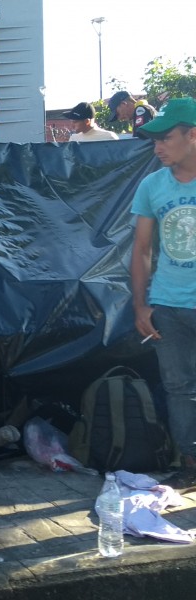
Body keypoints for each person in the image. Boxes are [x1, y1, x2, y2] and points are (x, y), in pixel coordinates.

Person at [130, 97, 196, 491]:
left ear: (192, 135)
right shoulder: (152, 185)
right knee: (178, 388)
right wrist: (141, 305)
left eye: (165, 138)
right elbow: (141, 249)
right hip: (169, 305)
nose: (157, 147)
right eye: (153, 140)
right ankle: (190, 464)